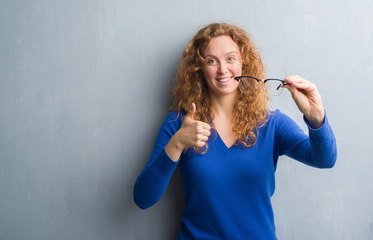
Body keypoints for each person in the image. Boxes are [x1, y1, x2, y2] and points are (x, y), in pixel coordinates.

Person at [133, 22, 337, 240]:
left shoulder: (272, 124)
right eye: (211, 61)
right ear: (199, 69)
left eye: (230, 58)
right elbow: (143, 198)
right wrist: (176, 145)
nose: (222, 69)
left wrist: (316, 118)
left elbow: (325, 159)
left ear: (243, 63)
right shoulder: (180, 123)